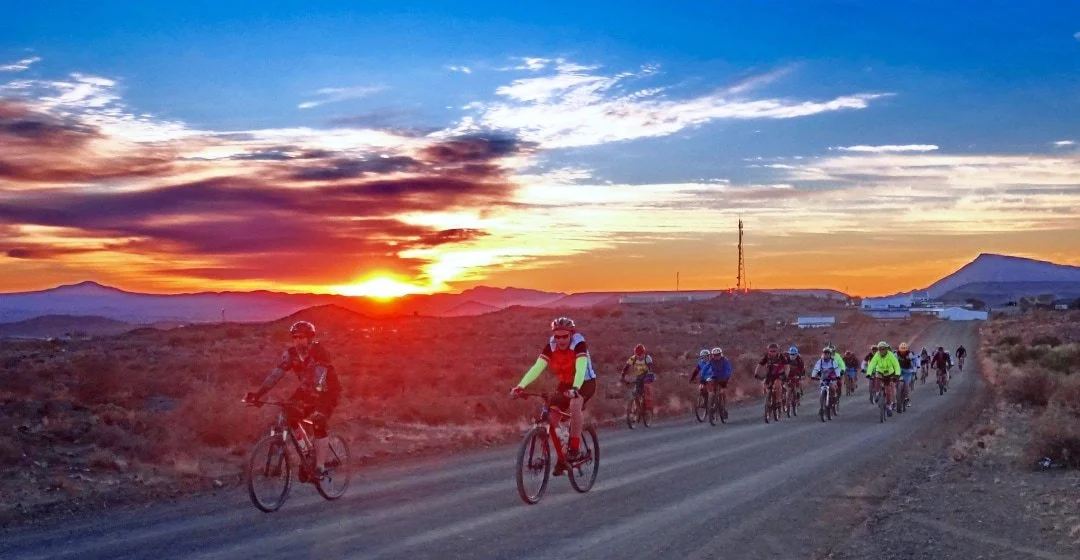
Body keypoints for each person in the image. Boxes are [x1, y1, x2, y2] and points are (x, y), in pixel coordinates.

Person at [244, 321, 342, 479]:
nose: (298, 341)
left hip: (327, 392)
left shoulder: (319, 352)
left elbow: (320, 376)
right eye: (295, 337)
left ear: (310, 338)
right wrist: (258, 394)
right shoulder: (291, 354)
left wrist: (316, 400)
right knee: (289, 416)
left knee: (318, 421)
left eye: (302, 337)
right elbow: (276, 374)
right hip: (306, 391)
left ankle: (320, 467)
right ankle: (306, 453)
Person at [512, 317, 597, 475]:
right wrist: (521, 385)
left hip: (584, 382)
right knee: (552, 415)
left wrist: (576, 388)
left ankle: (575, 448)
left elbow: (580, 368)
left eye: (564, 336)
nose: (561, 340)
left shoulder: (579, 345)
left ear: (571, 334)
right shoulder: (550, 347)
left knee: (574, 405)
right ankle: (562, 456)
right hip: (565, 384)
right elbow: (537, 367)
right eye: (557, 336)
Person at [866, 341, 902, 416]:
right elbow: (872, 364)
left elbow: (896, 365)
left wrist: (897, 374)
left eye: (883, 349)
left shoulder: (890, 355)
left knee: (889, 391)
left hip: (889, 373)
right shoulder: (877, 355)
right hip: (880, 371)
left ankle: (889, 406)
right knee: (877, 380)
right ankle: (877, 393)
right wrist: (868, 373)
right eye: (880, 349)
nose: (881, 351)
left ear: (886, 349)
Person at [753, 343, 791, 411]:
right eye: (771, 351)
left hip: (779, 374)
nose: (772, 353)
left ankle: (778, 401)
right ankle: (768, 398)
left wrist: (786, 374)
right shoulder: (766, 357)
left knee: (777, 384)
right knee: (764, 383)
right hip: (770, 374)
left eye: (774, 351)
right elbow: (759, 365)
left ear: (777, 351)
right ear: (768, 351)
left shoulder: (781, 357)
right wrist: (756, 373)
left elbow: (787, 366)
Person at [621, 343, 657, 414]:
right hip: (638, 376)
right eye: (637, 353)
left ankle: (647, 407)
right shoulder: (633, 358)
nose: (638, 356)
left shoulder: (647, 358)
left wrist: (649, 375)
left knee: (646, 389)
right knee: (636, 392)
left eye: (640, 354)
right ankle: (637, 407)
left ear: (643, 353)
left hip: (647, 375)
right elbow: (626, 367)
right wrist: (622, 375)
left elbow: (651, 367)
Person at [811, 346, 843, 415]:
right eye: (825, 353)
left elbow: (836, 369)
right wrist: (813, 376)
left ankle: (834, 400)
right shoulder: (820, 361)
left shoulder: (833, 361)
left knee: (832, 388)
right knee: (821, 391)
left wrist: (838, 376)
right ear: (823, 354)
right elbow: (816, 369)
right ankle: (822, 407)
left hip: (832, 378)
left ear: (830, 354)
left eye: (828, 353)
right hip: (823, 378)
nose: (826, 355)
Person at [708, 347, 733, 420]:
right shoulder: (711, 361)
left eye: (718, 355)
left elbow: (729, 369)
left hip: (723, 378)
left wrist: (727, 375)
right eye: (715, 355)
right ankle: (711, 406)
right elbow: (706, 368)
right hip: (715, 377)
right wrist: (704, 375)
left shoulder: (725, 360)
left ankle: (723, 407)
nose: (716, 357)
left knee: (722, 392)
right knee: (712, 392)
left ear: (720, 354)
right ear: (712, 355)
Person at [894, 342, 919, 407]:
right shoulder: (896, 353)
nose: (902, 352)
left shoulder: (909, 353)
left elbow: (914, 361)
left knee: (907, 385)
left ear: (906, 350)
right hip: (899, 369)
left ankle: (907, 399)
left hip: (908, 370)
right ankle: (896, 396)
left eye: (904, 351)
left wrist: (914, 368)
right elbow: (893, 360)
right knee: (895, 383)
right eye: (901, 350)